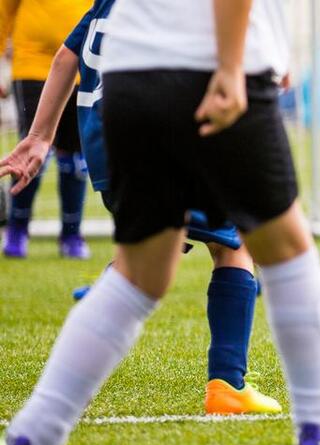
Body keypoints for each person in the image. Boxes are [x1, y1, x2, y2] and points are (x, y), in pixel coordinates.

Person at [0, 0, 320, 445]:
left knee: (138, 275)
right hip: (208, 64)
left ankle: (33, 440)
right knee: (286, 255)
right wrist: (232, 66)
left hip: (129, 80)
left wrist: (39, 135)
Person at [1, 0, 282, 417]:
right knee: (235, 243)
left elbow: (64, 58)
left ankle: (103, 298)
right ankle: (228, 383)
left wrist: (40, 137)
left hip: (105, 146)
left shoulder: (107, 5)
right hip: (156, 135)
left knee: (150, 247)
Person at [0, 0, 92, 260]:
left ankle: (72, 233)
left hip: (80, 67)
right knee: (31, 149)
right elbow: (3, 11)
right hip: (32, 65)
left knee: (75, 157)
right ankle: (17, 229)